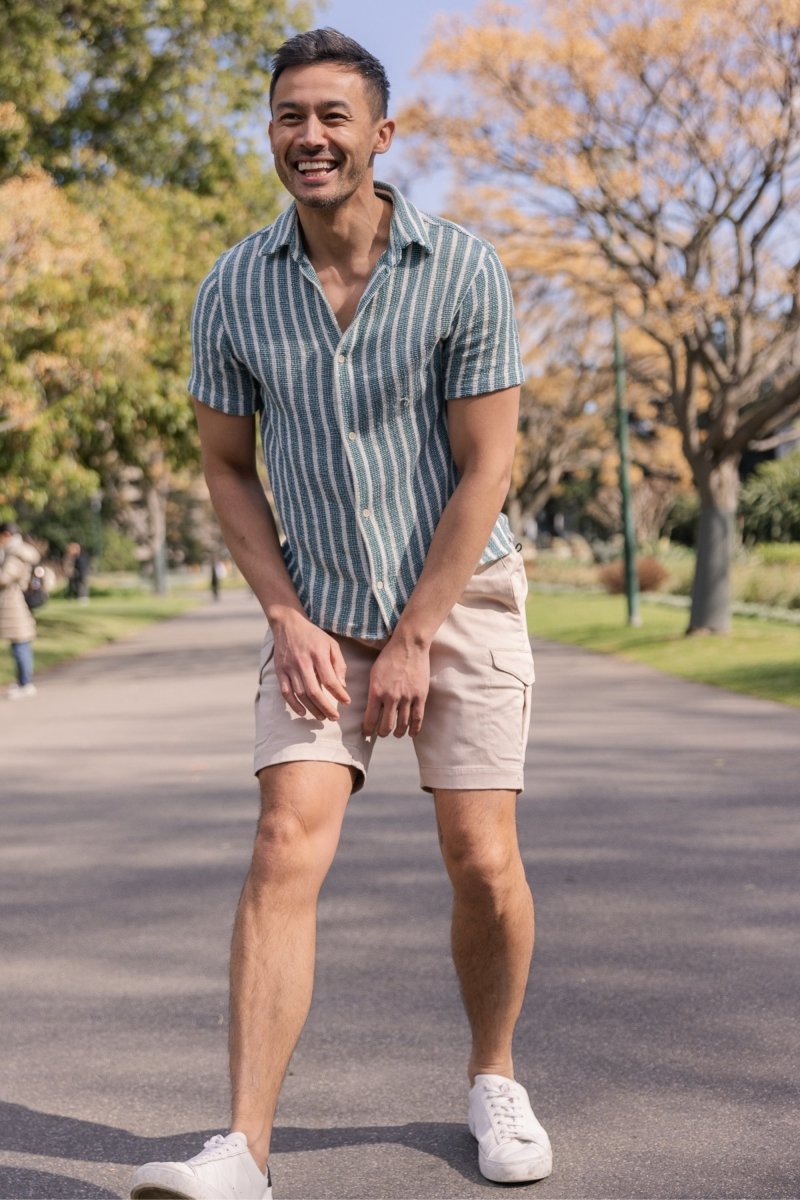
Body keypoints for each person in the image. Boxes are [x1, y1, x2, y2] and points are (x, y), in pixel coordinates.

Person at [131, 28, 550, 1200]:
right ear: (270, 133)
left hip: (457, 597)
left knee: (479, 856)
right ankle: (242, 1154)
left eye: (329, 116)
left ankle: (493, 1077)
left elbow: (485, 468)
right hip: (312, 613)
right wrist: (284, 615)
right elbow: (225, 466)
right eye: (286, 117)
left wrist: (415, 633)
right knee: (281, 846)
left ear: (379, 133)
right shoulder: (233, 286)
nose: (307, 137)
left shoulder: (460, 269)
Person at [0, 521, 41, 700]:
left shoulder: (16, 554)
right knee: (20, 644)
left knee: (20, 644)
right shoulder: (17, 552)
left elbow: (5, 578)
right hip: (15, 602)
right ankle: (23, 681)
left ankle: (25, 683)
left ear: (6, 535)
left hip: (14, 603)